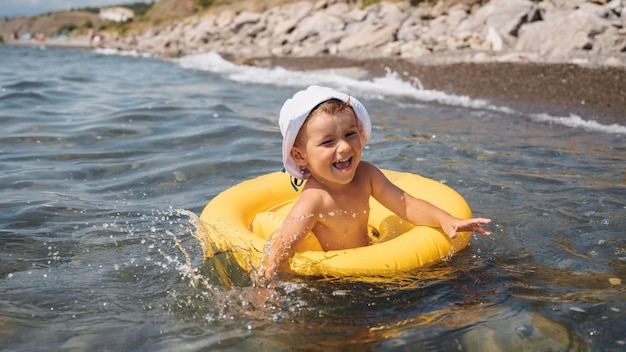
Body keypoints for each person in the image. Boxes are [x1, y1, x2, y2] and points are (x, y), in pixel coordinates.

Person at [259, 85, 492, 280]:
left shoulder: (366, 174)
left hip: (372, 260)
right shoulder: (314, 199)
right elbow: (282, 246)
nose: (345, 147)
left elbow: (406, 205)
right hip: (332, 280)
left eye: (350, 134)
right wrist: (266, 284)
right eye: (328, 141)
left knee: (469, 276)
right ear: (300, 156)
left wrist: (446, 220)